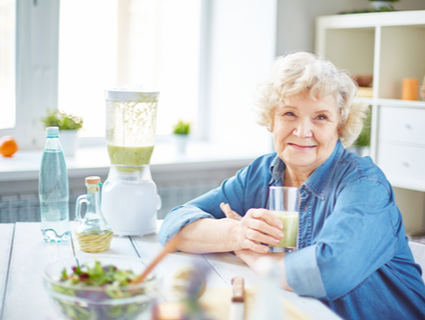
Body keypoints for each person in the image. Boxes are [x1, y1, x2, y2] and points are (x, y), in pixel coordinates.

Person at [158, 52, 425, 319]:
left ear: (339, 127)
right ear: (271, 120)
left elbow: (327, 274)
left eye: (320, 117)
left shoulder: (364, 184)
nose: (302, 131)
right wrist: (238, 233)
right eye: (289, 113)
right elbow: (174, 227)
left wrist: (251, 254)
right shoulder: (261, 172)